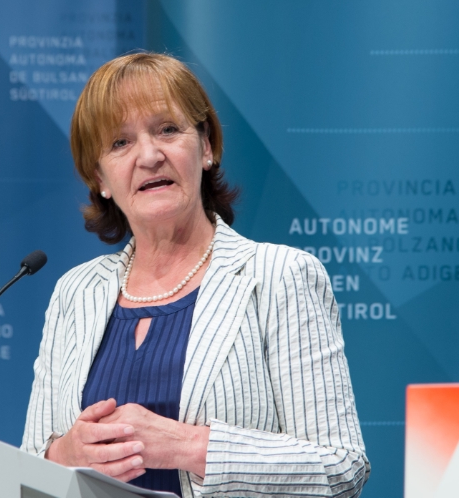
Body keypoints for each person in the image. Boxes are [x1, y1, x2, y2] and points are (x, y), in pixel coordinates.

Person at [21, 52, 370, 497]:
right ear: (100, 178)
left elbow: (341, 467)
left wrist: (188, 446)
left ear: (206, 147)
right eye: (120, 143)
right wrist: (62, 455)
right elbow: (26, 466)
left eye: (167, 129)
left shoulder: (279, 276)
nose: (149, 156)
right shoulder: (75, 292)